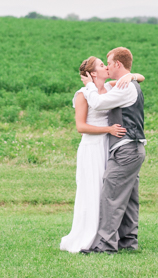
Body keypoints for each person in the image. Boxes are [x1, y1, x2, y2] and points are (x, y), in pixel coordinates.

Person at [59, 55, 144, 253]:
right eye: (101, 65)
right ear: (92, 73)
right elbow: (81, 127)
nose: (106, 67)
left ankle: (107, 238)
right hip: (92, 146)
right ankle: (89, 236)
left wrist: (132, 75)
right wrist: (108, 130)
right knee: (93, 191)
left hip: (110, 146)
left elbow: (140, 79)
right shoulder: (83, 94)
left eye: (106, 63)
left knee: (108, 193)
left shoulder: (113, 87)